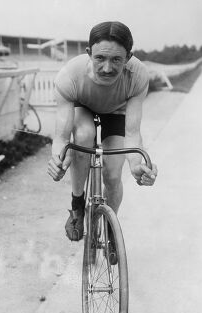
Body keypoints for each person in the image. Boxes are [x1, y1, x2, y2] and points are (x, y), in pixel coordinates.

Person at [48, 21, 157, 242]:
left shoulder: (138, 75)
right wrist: (57, 161)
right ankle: (77, 205)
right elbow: (61, 138)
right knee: (83, 137)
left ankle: (110, 226)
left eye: (116, 59)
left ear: (128, 57)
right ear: (89, 53)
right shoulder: (69, 76)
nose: (107, 68)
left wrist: (138, 165)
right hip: (83, 108)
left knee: (113, 174)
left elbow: (133, 134)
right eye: (100, 58)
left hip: (117, 113)